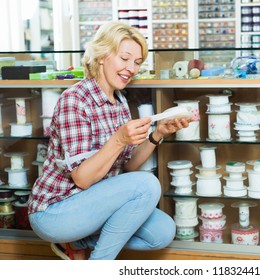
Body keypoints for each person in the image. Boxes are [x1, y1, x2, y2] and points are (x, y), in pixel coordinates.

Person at [27, 21, 190, 260]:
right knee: (147, 184)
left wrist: (158, 134)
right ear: (102, 55)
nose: (131, 68)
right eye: (124, 58)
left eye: (136, 62)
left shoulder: (119, 101)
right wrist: (118, 139)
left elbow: (128, 166)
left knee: (162, 233)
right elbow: (82, 179)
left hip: (93, 207)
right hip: (56, 211)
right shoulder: (75, 100)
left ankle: (77, 241)